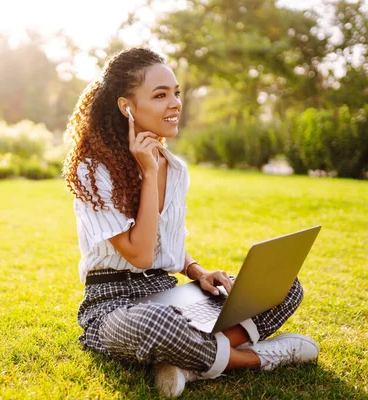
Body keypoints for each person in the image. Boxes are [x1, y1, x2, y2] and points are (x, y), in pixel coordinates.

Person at [62, 47, 319, 398]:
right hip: (113, 304)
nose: (175, 103)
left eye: (176, 93)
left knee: (282, 284)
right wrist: (148, 174)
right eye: (160, 95)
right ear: (127, 107)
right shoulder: (93, 170)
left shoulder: (177, 169)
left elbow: (165, 243)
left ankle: (189, 363)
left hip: (167, 293)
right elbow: (139, 256)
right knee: (158, 325)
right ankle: (257, 359)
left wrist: (198, 271)